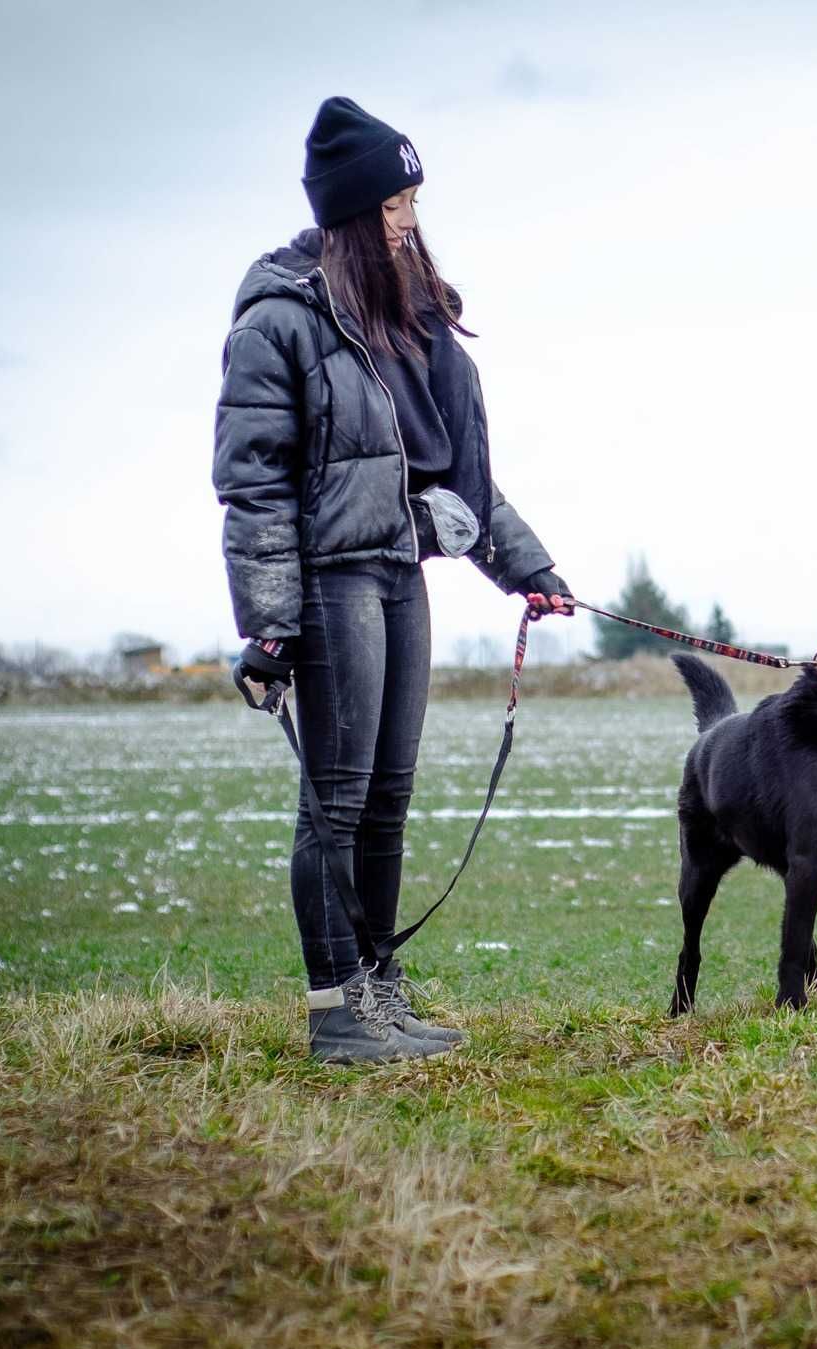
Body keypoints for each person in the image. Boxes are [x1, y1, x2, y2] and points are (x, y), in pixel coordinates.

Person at [213, 96, 573, 1065]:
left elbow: (455, 468)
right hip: (330, 582)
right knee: (333, 798)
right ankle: (336, 1011)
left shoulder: (409, 321)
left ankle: (379, 991)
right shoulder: (280, 321)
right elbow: (252, 487)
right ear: (352, 211)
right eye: (392, 204)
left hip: (399, 572)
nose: (408, 220)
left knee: (388, 795)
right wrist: (271, 628)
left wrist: (524, 566)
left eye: (413, 199)